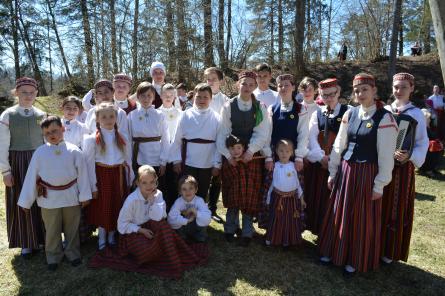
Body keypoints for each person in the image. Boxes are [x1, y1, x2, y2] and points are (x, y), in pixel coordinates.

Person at [318, 73, 398, 275]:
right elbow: (339, 145)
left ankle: (355, 258)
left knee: (361, 217)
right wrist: (333, 171)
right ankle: (333, 251)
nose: (360, 94)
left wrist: (379, 184)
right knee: (339, 211)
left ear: (374, 91)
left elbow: (387, 155)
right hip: (346, 170)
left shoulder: (384, 117)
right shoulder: (350, 114)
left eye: (364, 89)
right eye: (356, 90)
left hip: (366, 174)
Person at [88, 165, 208, 279]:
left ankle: (161, 252)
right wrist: (140, 230)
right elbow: (121, 226)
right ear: (137, 183)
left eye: (152, 182)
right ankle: (155, 253)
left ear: (156, 181)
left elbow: (158, 217)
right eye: (144, 182)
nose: (149, 186)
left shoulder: (158, 194)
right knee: (146, 250)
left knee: (165, 228)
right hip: (134, 232)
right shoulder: (131, 200)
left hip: (151, 224)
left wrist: (152, 202)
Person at [17, 116, 91, 271]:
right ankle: (53, 256)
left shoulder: (74, 151)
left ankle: (73, 253)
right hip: (49, 199)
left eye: (55, 131)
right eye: (47, 133)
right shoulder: (40, 152)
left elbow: (83, 175)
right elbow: (31, 177)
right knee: (52, 229)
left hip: (71, 196)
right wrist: (26, 201)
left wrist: (84, 195)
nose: (51, 135)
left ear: (63, 129)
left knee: (72, 228)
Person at [217, 70, 270, 247]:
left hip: (251, 157)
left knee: (250, 195)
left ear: (255, 86)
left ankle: (247, 231)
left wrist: (251, 151)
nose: (247, 87)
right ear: (237, 85)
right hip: (232, 154)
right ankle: (230, 228)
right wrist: (228, 155)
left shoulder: (260, 107)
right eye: (244, 83)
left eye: (250, 84)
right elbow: (223, 133)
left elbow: (262, 133)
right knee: (232, 193)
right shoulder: (228, 106)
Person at [381, 73, 429, 264]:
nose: (398, 91)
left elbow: (422, 142)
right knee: (379, 204)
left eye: (403, 87)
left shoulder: (415, 113)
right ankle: (374, 244)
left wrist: (410, 156)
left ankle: (390, 250)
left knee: (395, 207)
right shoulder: (384, 110)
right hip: (382, 165)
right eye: (396, 87)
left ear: (411, 88)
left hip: (401, 169)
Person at [0, 77, 45, 258]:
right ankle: (26, 241)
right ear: (16, 93)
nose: (28, 95)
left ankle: (41, 238)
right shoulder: (7, 115)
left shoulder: (41, 115)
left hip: (38, 160)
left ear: (36, 93)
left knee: (40, 197)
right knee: (20, 198)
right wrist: (6, 171)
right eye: (24, 92)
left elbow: (46, 140)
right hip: (18, 161)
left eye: (31, 92)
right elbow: (2, 145)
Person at [83, 102, 133, 250]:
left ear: (116, 118)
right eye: (104, 117)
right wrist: (93, 185)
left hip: (118, 175)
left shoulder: (122, 137)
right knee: (103, 206)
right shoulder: (92, 139)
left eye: (111, 116)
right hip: (101, 175)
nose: (108, 119)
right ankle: (102, 237)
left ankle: (112, 235)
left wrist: (130, 178)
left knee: (116, 204)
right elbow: (89, 164)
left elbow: (127, 159)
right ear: (97, 119)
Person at [305, 78, 350, 235]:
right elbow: (311, 138)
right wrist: (321, 157)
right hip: (320, 162)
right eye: (325, 95)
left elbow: (348, 140)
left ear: (338, 92)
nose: (328, 98)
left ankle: (331, 232)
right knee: (317, 197)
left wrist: (333, 159)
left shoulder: (348, 111)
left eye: (331, 94)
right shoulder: (317, 113)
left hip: (339, 163)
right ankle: (317, 230)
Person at [170, 83, 221, 206]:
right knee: (186, 191)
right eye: (198, 97)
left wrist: (217, 164)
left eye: (205, 97)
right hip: (188, 162)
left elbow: (219, 144)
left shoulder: (217, 118)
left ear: (211, 99)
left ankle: (199, 219)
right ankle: (184, 218)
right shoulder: (184, 115)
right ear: (193, 97)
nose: (202, 100)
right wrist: (176, 160)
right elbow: (177, 140)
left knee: (202, 192)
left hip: (207, 163)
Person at [262, 139, 305, 247]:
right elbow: (270, 185)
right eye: (281, 151)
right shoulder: (274, 166)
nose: (284, 154)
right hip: (277, 199)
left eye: (287, 151)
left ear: (292, 153)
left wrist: (302, 199)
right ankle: (271, 238)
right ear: (276, 151)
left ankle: (286, 240)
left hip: (292, 199)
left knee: (289, 220)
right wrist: (267, 200)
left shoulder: (294, 166)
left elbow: (298, 184)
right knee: (276, 219)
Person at [264, 74, 309, 175]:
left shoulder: (301, 109)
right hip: (275, 155)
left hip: (293, 156)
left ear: (293, 87)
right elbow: (267, 134)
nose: (283, 88)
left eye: (286, 85)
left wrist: (299, 156)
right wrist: (268, 156)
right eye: (280, 86)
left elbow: (304, 134)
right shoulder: (272, 108)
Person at [127, 82, 169, 181]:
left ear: (154, 97)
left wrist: (163, 162)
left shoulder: (160, 115)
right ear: (137, 97)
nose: (146, 99)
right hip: (138, 157)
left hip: (156, 158)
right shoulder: (132, 115)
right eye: (142, 96)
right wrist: (129, 159)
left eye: (149, 95)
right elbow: (128, 139)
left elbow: (165, 139)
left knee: (155, 185)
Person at [204, 67, 229, 221]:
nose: (211, 81)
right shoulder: (199, 96)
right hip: (202, 144)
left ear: (221, 81)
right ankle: (200, 206)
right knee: (202, 176)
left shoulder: (225, 100)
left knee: (216, 177)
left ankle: (212, 208)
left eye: (214, 78)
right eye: (208, 79)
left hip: (219, 143)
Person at [159, 83, 183, 208]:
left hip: (175, 156)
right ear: (161, 95)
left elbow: (178, 139)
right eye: (165, 95)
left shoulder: (180, 113)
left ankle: (173, 211)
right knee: (161, 186)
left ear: (175, 96)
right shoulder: (157, 112)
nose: (168, 97)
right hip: (160, 156)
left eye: (171, 95)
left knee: (173, 185)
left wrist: (176, 159)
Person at [168, 175, 211, 242]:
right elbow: (171, 219)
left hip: (197, 228)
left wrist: (195, 212)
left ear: (196, 190)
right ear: (180, 191)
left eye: (191, 188)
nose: (188, 192)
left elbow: (207, 218)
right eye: (184, 189)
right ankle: (184, 238)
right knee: (180, 235)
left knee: (202, 219)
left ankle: (200, 237)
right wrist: (187, 220)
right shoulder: (178, 202)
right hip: (184, 228)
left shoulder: (199, 200)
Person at [419, 108, 444, 177]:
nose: (429, 120)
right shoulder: (422, 127)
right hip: (425, 148)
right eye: (428, 118)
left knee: (437, 152)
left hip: (431, 146)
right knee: (431, 154)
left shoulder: (428, 126)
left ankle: (432, 168)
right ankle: (427, 169)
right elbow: (421, 140)